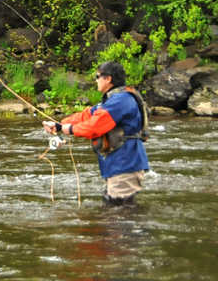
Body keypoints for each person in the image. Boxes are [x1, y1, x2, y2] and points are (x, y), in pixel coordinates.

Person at [43, 61, 150, 206]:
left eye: (97, 76)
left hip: (125, 164)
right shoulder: (113, 100)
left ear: (108, 79)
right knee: (114, 208)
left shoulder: (120, 101)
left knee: (120, 212)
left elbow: (94, 126)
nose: (96, 80)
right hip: (119, 164)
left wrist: (69, 129)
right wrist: (59, 125)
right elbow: (86, 116)